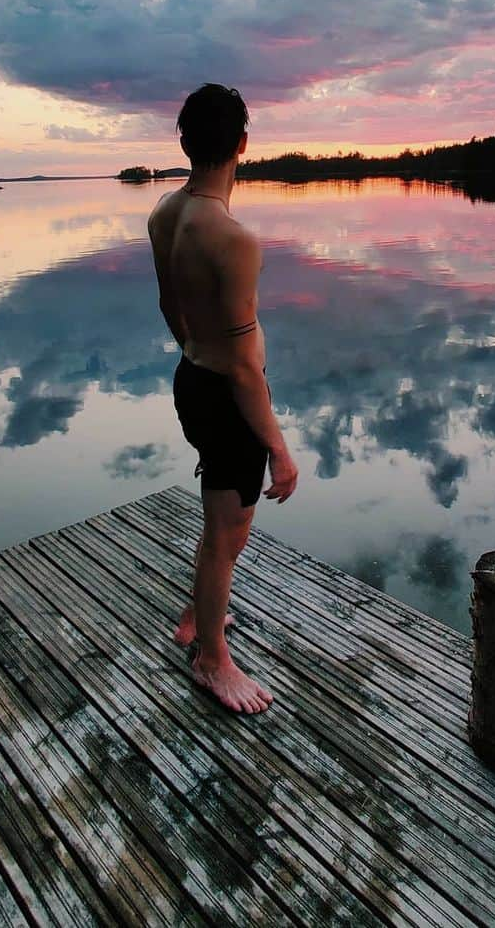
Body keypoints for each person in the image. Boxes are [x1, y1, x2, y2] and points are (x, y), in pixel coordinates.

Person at [147, 83, 298, 714]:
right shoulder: (233, 238)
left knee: (226, 521)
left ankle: (199, 615)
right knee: (224, 529)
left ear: (184, 142)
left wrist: (198, 352)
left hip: (192, 377)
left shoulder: (165, 213)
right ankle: (212, 659)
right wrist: (280, 449)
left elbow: (169, 307)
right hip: (229, 395)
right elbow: (242, 367)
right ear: (242, 143)